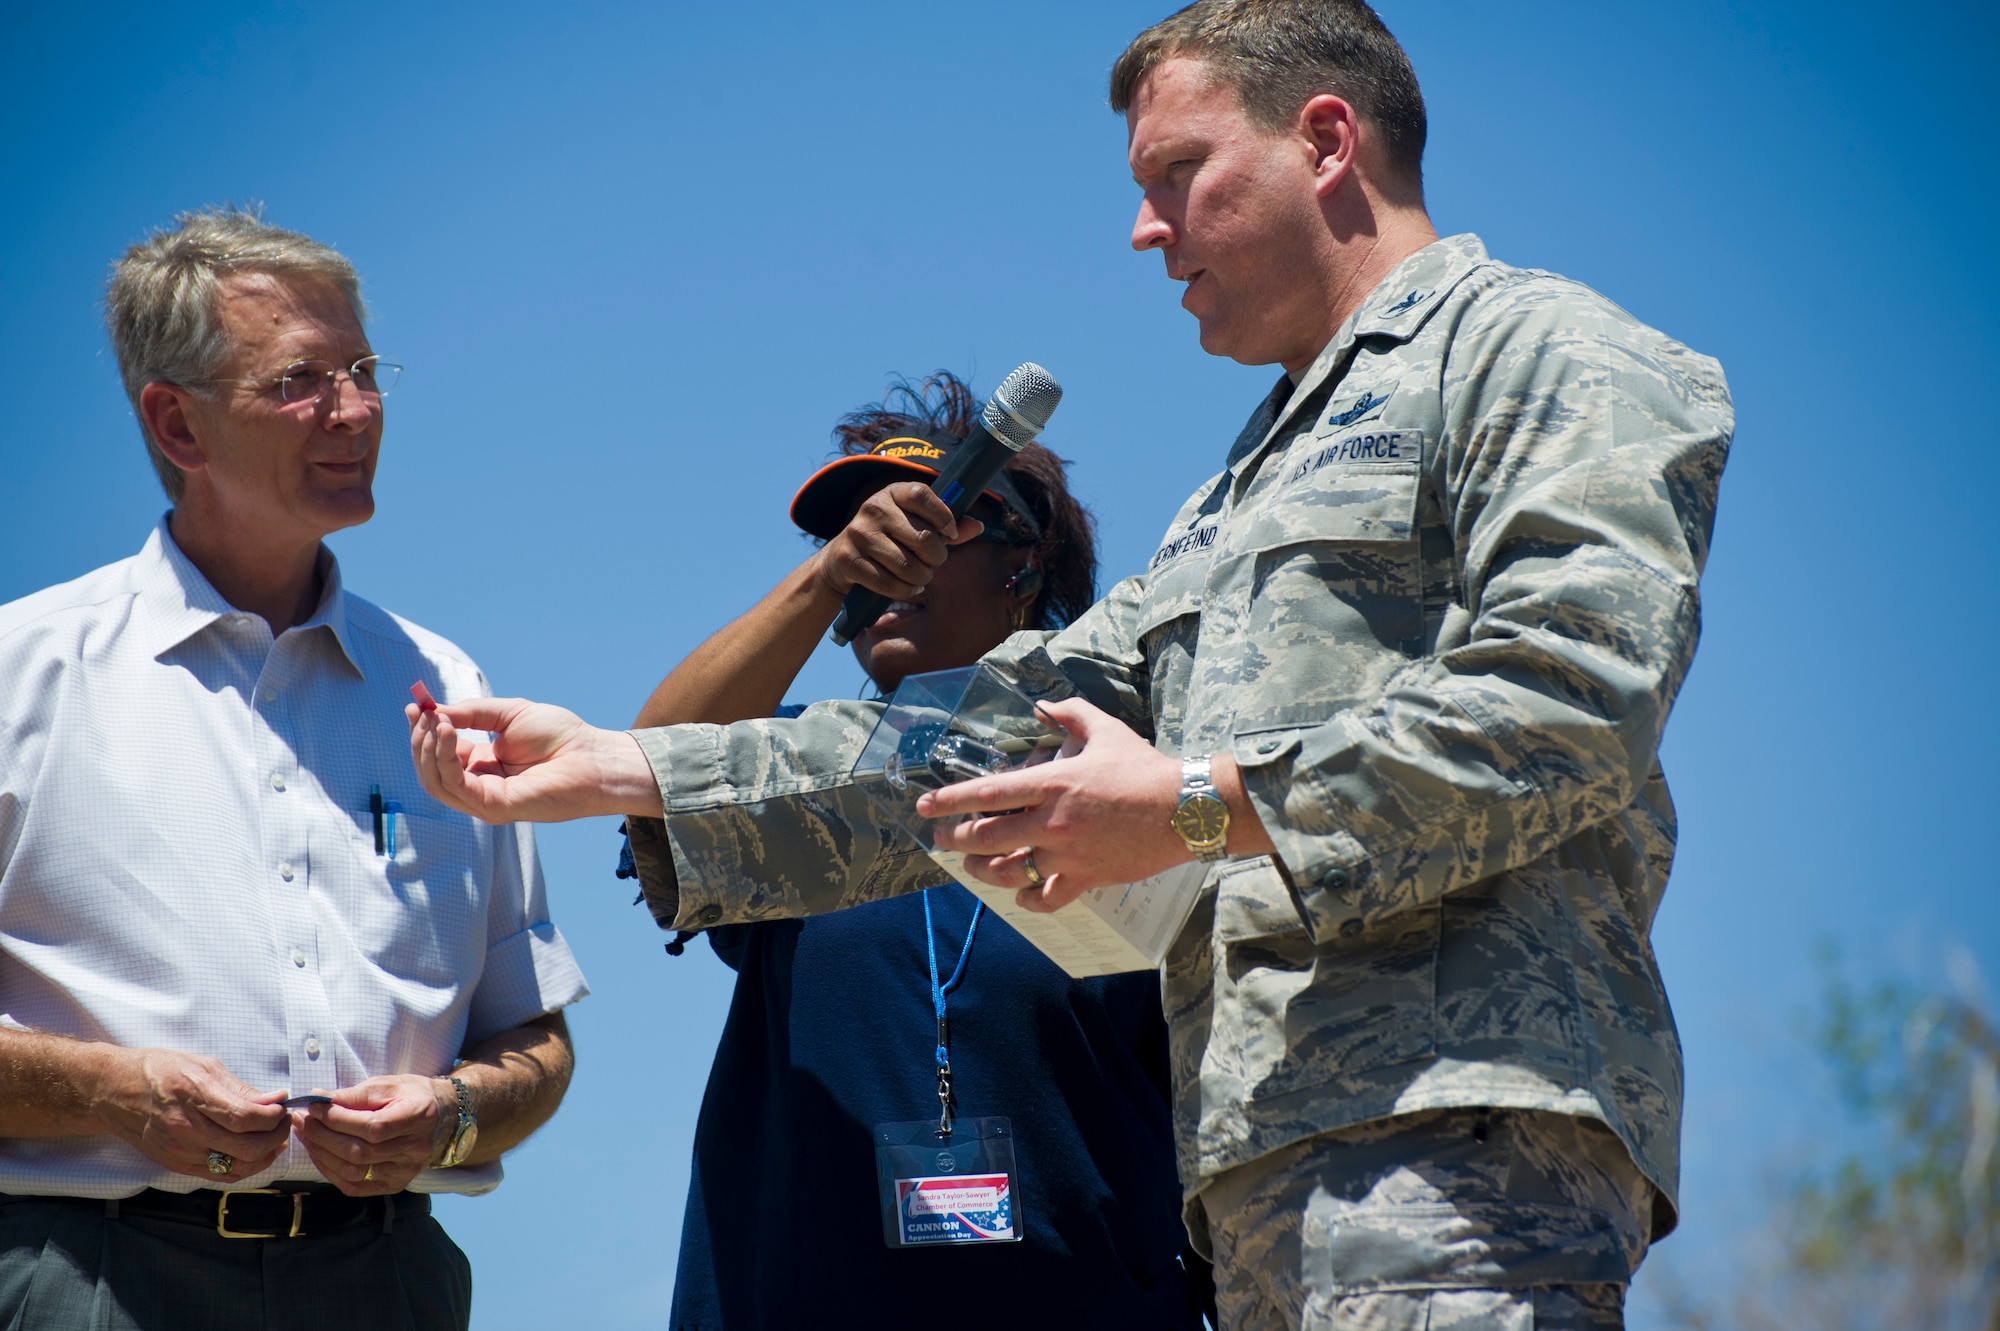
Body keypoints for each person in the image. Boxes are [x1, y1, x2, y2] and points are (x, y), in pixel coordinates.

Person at [407, 2, 1733, 1326]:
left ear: (1326, 140)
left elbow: (1569, 700)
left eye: (1177, 175)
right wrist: (619, 764)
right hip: (1264, 1184)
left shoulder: (1540, 352)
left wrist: (1195, 805)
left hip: (1451, 1153)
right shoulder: (1229, 505)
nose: (1144, 229)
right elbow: (969, 743)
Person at [0, 207, 587, 1331]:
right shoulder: (20, 675)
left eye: (365, 371)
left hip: (388, 1282)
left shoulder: (441, 677)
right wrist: (111, 1093)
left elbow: (536, 1039)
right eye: (301, 381)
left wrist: (453, 1111)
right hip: (88, 1283)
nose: (357, 411)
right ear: (176, 423)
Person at [627, 372, 1209, 1328]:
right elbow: (656, 770)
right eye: (854, 531)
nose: (892, 547)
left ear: (1028, 568)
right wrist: (822, 584)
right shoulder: (791, 778)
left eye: (942, 521)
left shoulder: (1127, 782)